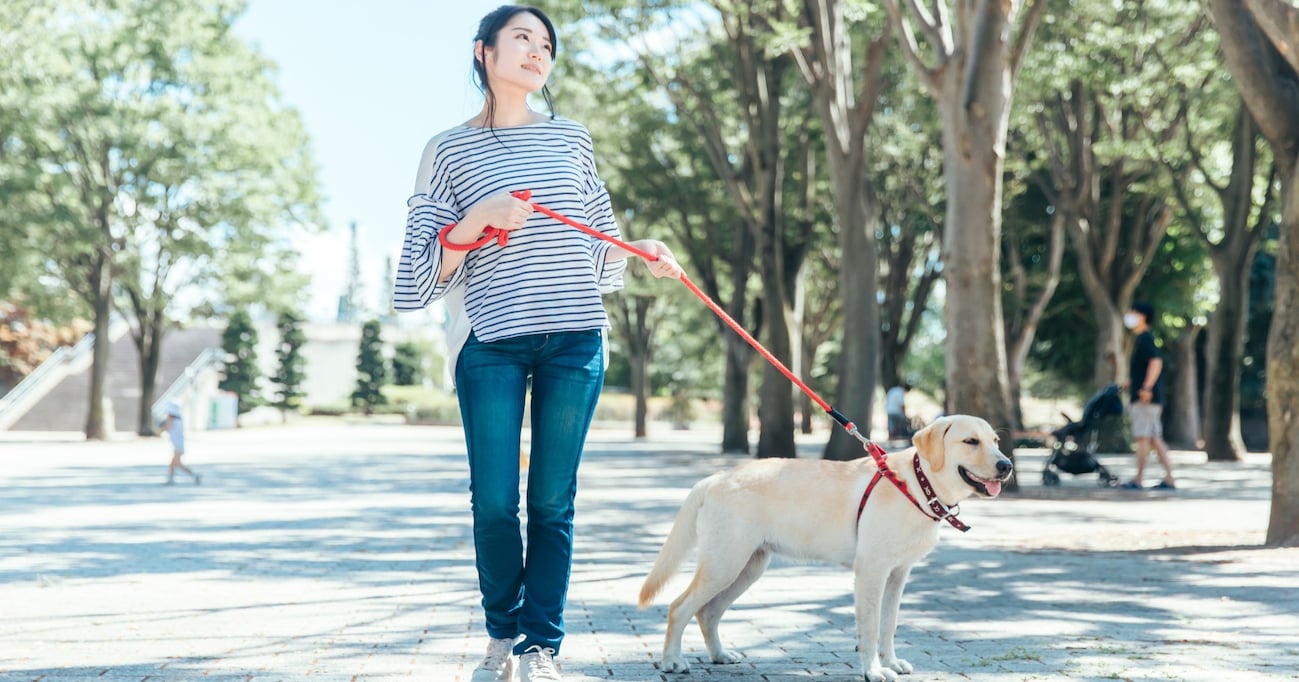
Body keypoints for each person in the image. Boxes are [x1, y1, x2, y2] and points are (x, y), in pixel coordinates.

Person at [393, 6, 682, 681]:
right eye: (521, 37)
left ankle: (538, 645)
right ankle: (501, 630)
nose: (536, 50)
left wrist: (640, 251)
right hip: (490, 342)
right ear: (482, 52)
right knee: (494, 500)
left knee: (553, 501)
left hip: (575, 341)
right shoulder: (446, 150)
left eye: (545, 43)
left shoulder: (572, 138)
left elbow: (601, 250)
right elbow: (413, 280)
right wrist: (472, 223)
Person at [1120, 301, 1176, 490]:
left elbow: (1155, 362)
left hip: (1145, 398)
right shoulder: (1142, 339)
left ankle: (1138, 478)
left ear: (1142, 316)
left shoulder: (1145, 338)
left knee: (1142, 437)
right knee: (1154, 438)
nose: (1129, 315)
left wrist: (1146, 388)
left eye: (1133, 312)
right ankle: (1169, 478)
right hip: (1149, 396)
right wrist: (1131, 383)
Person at [159, 402, 199, 485]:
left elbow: (164, 429)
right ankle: (171, 479)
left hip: (178, 446)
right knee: (172, 463)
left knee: (178, 463)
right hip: (179, 445)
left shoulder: (171, 420)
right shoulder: (178, 419)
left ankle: (195, 475)